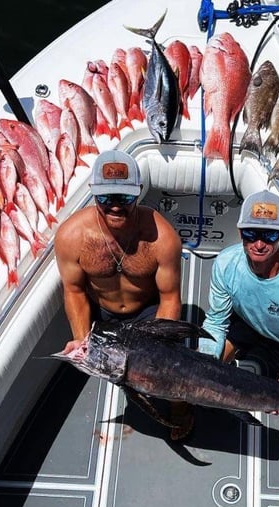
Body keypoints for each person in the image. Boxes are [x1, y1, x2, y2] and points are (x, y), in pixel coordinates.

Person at [54, 149, 194, 439]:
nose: (115, 206)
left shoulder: (162, 237)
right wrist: (83, 340)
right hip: (103, 315)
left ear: (139, 194)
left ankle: (179, 406)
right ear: (94, 194)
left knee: (172, 370)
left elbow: (169, 296)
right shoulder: (71, 236)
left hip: (148, 311)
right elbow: (75, 290)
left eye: (125, 198)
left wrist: (158, 346)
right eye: (107, 198)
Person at [198, 190, 279, 420]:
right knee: (209, 370)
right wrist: (204, 363)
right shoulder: (226, 263)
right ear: (240, 232)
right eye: (251, 233)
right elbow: (217, 320)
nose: (259, 244)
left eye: (269, 235)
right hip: (247, 324)